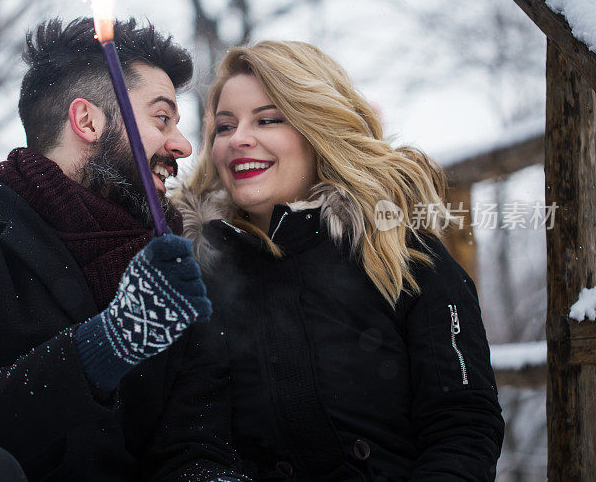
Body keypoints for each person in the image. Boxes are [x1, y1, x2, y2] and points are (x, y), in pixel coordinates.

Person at [0, 17, 242, 481]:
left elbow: (196, 446)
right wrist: (110, 343)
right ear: (86, 120)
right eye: (162, 118)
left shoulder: (175, 269)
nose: (183, 146)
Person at [173, 41, 505, 481]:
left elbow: (463, 425)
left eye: (268, 119)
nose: (239, 140)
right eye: (224, 126)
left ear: (317, 127)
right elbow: (190, 445)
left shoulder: (402, 255)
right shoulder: (197, 275)